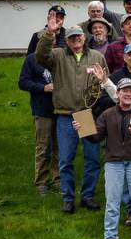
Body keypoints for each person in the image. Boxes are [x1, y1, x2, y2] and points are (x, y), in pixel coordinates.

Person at [36, 16, 109, 214]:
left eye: (79, 36)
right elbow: (40, 56)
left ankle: (87, 196)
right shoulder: (58, 55)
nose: (76, 39)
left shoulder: (96, 57)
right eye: (72, 37)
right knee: (65, 159)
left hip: (86, 115)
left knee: (92, 158)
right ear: (67, 40)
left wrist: (96, 108)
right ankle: (68, 199)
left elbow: (105, 82)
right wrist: (49, 33)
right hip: (65, 115)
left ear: (84, 38)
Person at [84, 78, 131, 239]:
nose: (128, 94)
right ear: (118, 93)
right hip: (113, 162)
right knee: (112, 202)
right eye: (124, 91)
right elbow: (97, 137)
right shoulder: (107, 114)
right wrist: (83, 130)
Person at [18, 52, 59, 196]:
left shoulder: (60, 56)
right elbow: (23, 82)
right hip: (42, 110)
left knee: (59, 147)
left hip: (62, 109)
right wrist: (43, 88)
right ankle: (41, 182)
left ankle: (57, 180)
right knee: (43, 146)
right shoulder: (32, 59)